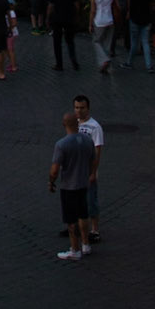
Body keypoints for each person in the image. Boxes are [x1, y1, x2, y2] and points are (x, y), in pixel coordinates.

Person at [49, 110, 94, 262]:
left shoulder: (61, 144)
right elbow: (92, 161)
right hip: (83, 183)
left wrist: (51, 181)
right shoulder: (88, 141)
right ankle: (86, 244)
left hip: (69, 186)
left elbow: (55, 170)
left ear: (64, 125)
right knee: (83, 214)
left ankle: (75, 249)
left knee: (71, 219)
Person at [72, 93, 103, 242]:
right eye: (77, 108)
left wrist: (93, 172)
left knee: (91, 201)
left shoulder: (95, 127)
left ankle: (95, 230)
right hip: (75, 171)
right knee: (76, 199)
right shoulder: (74, 124)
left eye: (82, 108)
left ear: (88, 108)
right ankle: (76, 226)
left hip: (88, 170)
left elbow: (97, 151)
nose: (79, 111)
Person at [48, 0, 80, 71]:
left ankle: (59, 64)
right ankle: (73, 60)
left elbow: (51, 6)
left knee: (57, 42)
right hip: (69, 17)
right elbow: (76, 5)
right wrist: (76, 15)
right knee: (70, 41)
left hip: (57, 18)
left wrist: (48, 18)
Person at [126, 0, 155, 71]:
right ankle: (149, 66)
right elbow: (151, 6)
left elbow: (129, 5)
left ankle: (129, 62)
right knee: (145, 42)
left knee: (134, 43)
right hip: (146, 19)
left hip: (135, 18)